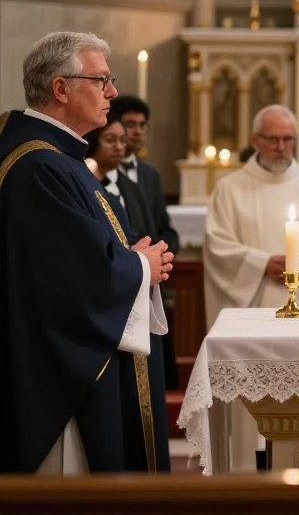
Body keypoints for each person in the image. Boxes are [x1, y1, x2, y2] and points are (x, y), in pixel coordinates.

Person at [0, 31, 171, 474]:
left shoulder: (57, 158)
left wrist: (128, 257)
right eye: (101, 80)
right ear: (61, 88)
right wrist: (139, 267)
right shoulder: (40, 166)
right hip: (57, 381)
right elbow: (67, 282)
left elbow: (70, 252)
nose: (112, 92)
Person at [204, 103, 299, 470]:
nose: (281, 147)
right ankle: (245, 479)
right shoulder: (230, 189)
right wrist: (259, 263)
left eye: (288, 139)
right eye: (273, 139)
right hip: (253, 313)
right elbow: (217, 244)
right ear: (255, 139)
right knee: (249, 416)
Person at [83, 111, 171, 471]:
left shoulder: (134, 184)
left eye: (125, 140)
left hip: (141, 275)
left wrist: (154, 256)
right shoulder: (78, 177)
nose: (121, 146)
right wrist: (137, 263)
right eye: (111, 139)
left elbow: (152, 227)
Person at [110, 94, 180, 389]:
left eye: (142, 125)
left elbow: (164, 226)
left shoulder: (149, 175)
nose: (137, 131)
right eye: (130, 124)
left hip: (153, 271)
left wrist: (164, 252)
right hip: (129, 269)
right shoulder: (100, 172)